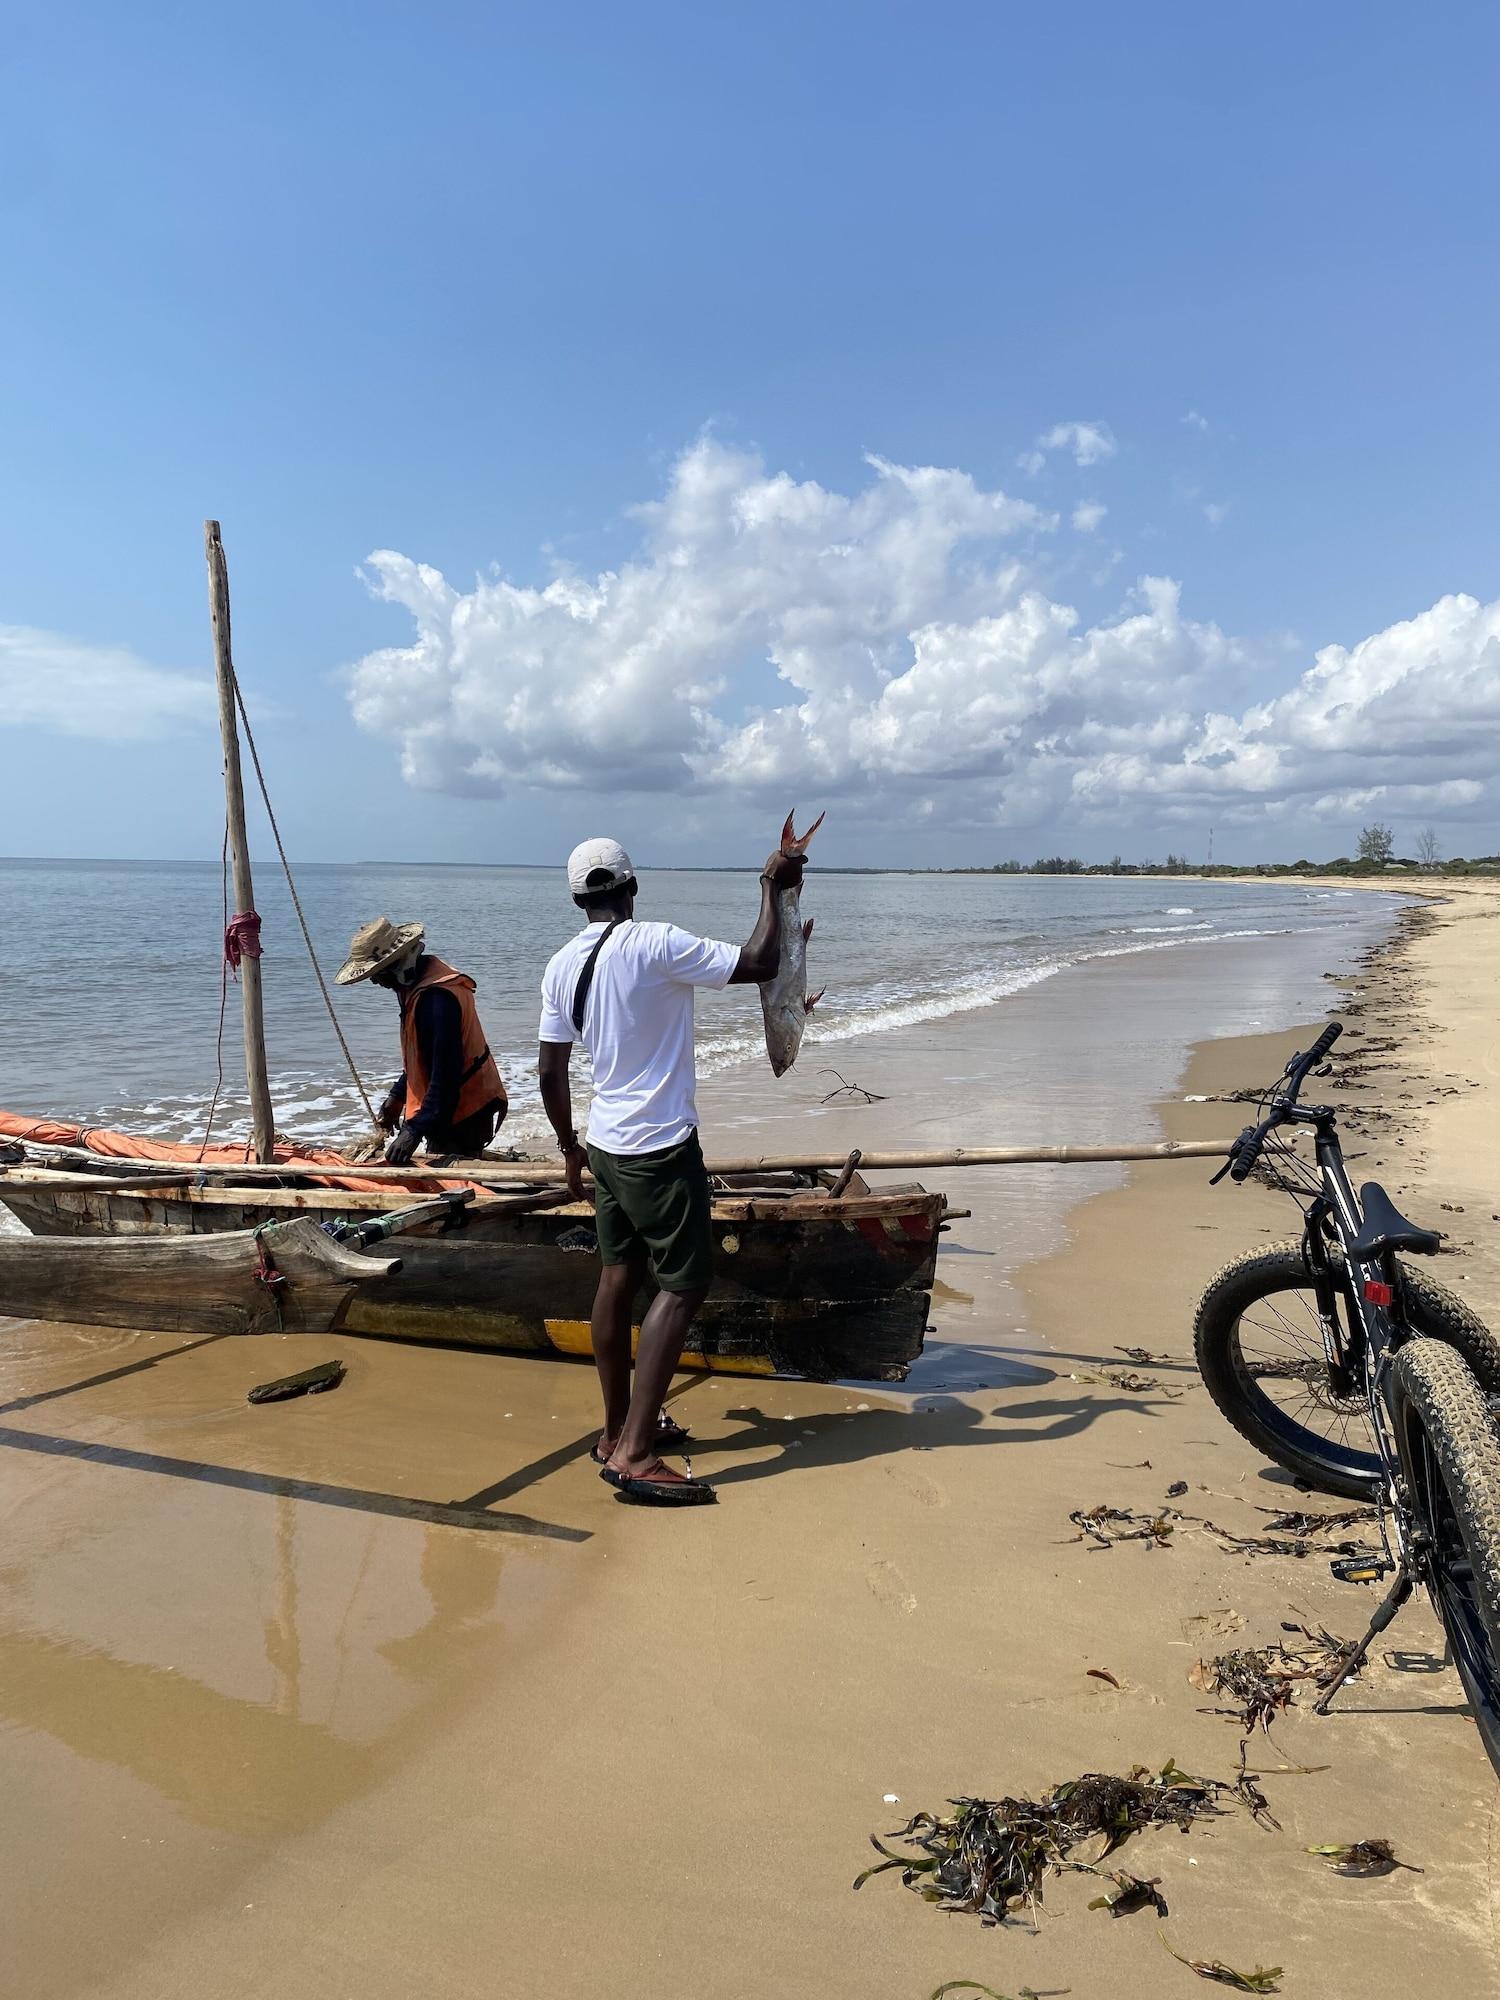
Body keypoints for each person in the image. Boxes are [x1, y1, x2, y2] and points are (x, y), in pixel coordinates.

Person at [538, 835, 803, 1506]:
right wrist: (770, 887)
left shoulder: (561, 964)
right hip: (659, 1147)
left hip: (605, 1144)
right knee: (683, 1285)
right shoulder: (656, 943)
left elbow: (550, 1068)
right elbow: (762, 961)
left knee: (619, 1276)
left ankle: (614, 1431)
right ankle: (634, 1454)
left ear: (578, 899)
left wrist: (571, 1148)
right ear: (631, 888)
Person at [336, 916, 507, 1164]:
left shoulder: (436, 1000)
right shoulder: (418, 987)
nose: (374, 981)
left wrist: (413, 1131)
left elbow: (446, 1076)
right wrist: (397, 1097)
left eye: (377, 973)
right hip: (451, 1103)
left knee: (458, 1184)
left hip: (464, 1110)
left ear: (397, 965)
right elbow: (423, 1059)